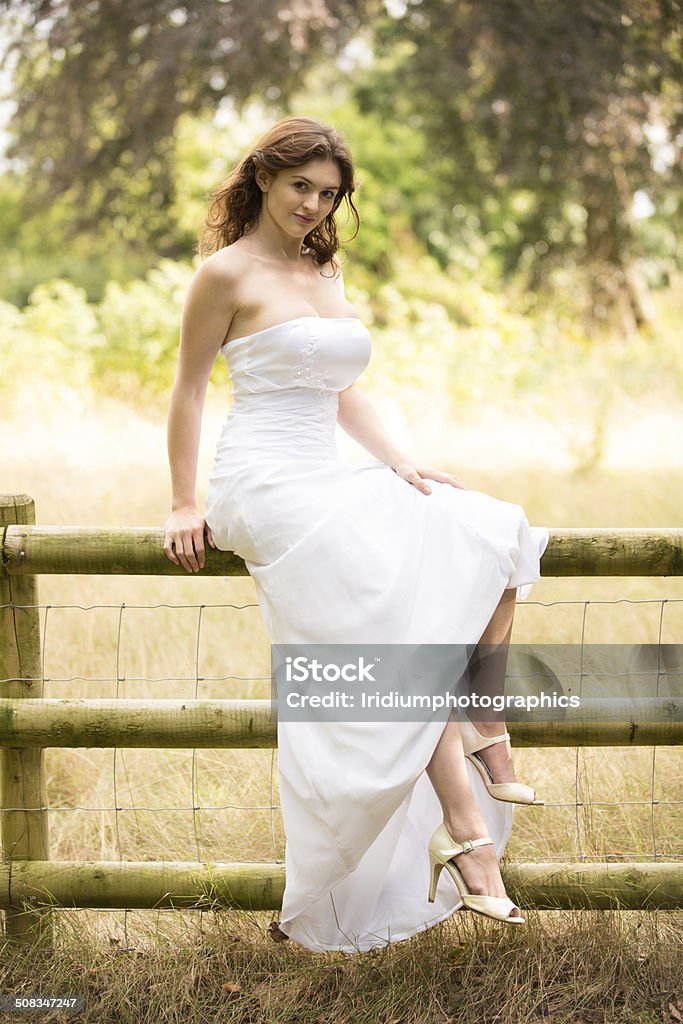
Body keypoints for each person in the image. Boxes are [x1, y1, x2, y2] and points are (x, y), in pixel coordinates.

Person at [163, 115, 549, 953]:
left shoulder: (323, 265)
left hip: (329, 467)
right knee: (389, 631)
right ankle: (471, 836)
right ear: (263, 178)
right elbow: (189, 390)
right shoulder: (222, 276)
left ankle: (477, 747)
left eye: (328, 193)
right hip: (262, 481)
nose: (312, 204)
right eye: (301, 185)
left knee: (491, 528)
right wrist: (182, 503)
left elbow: (341, 389)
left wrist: (404, 465)